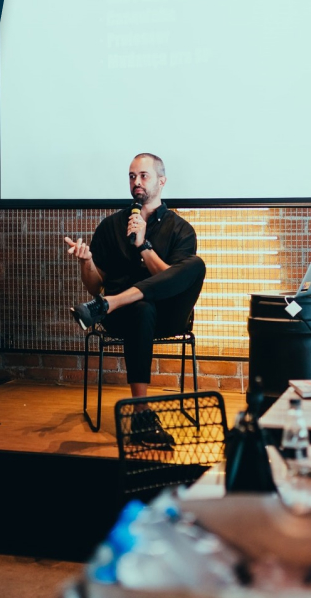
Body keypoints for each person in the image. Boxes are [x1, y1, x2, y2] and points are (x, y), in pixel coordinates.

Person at [63, 153, 206, 446]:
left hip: (168, 315)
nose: (136, 182)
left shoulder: (181, 230)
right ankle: (142, 415)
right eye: (132, 176)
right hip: (125, 320)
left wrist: (143, 245)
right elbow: (94, 286)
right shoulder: (111, 226)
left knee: (196, 265)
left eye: (143, 176)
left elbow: (174, 283)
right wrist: (86, 262)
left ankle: (110, 303)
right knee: (141, 307)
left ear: (162, 181)